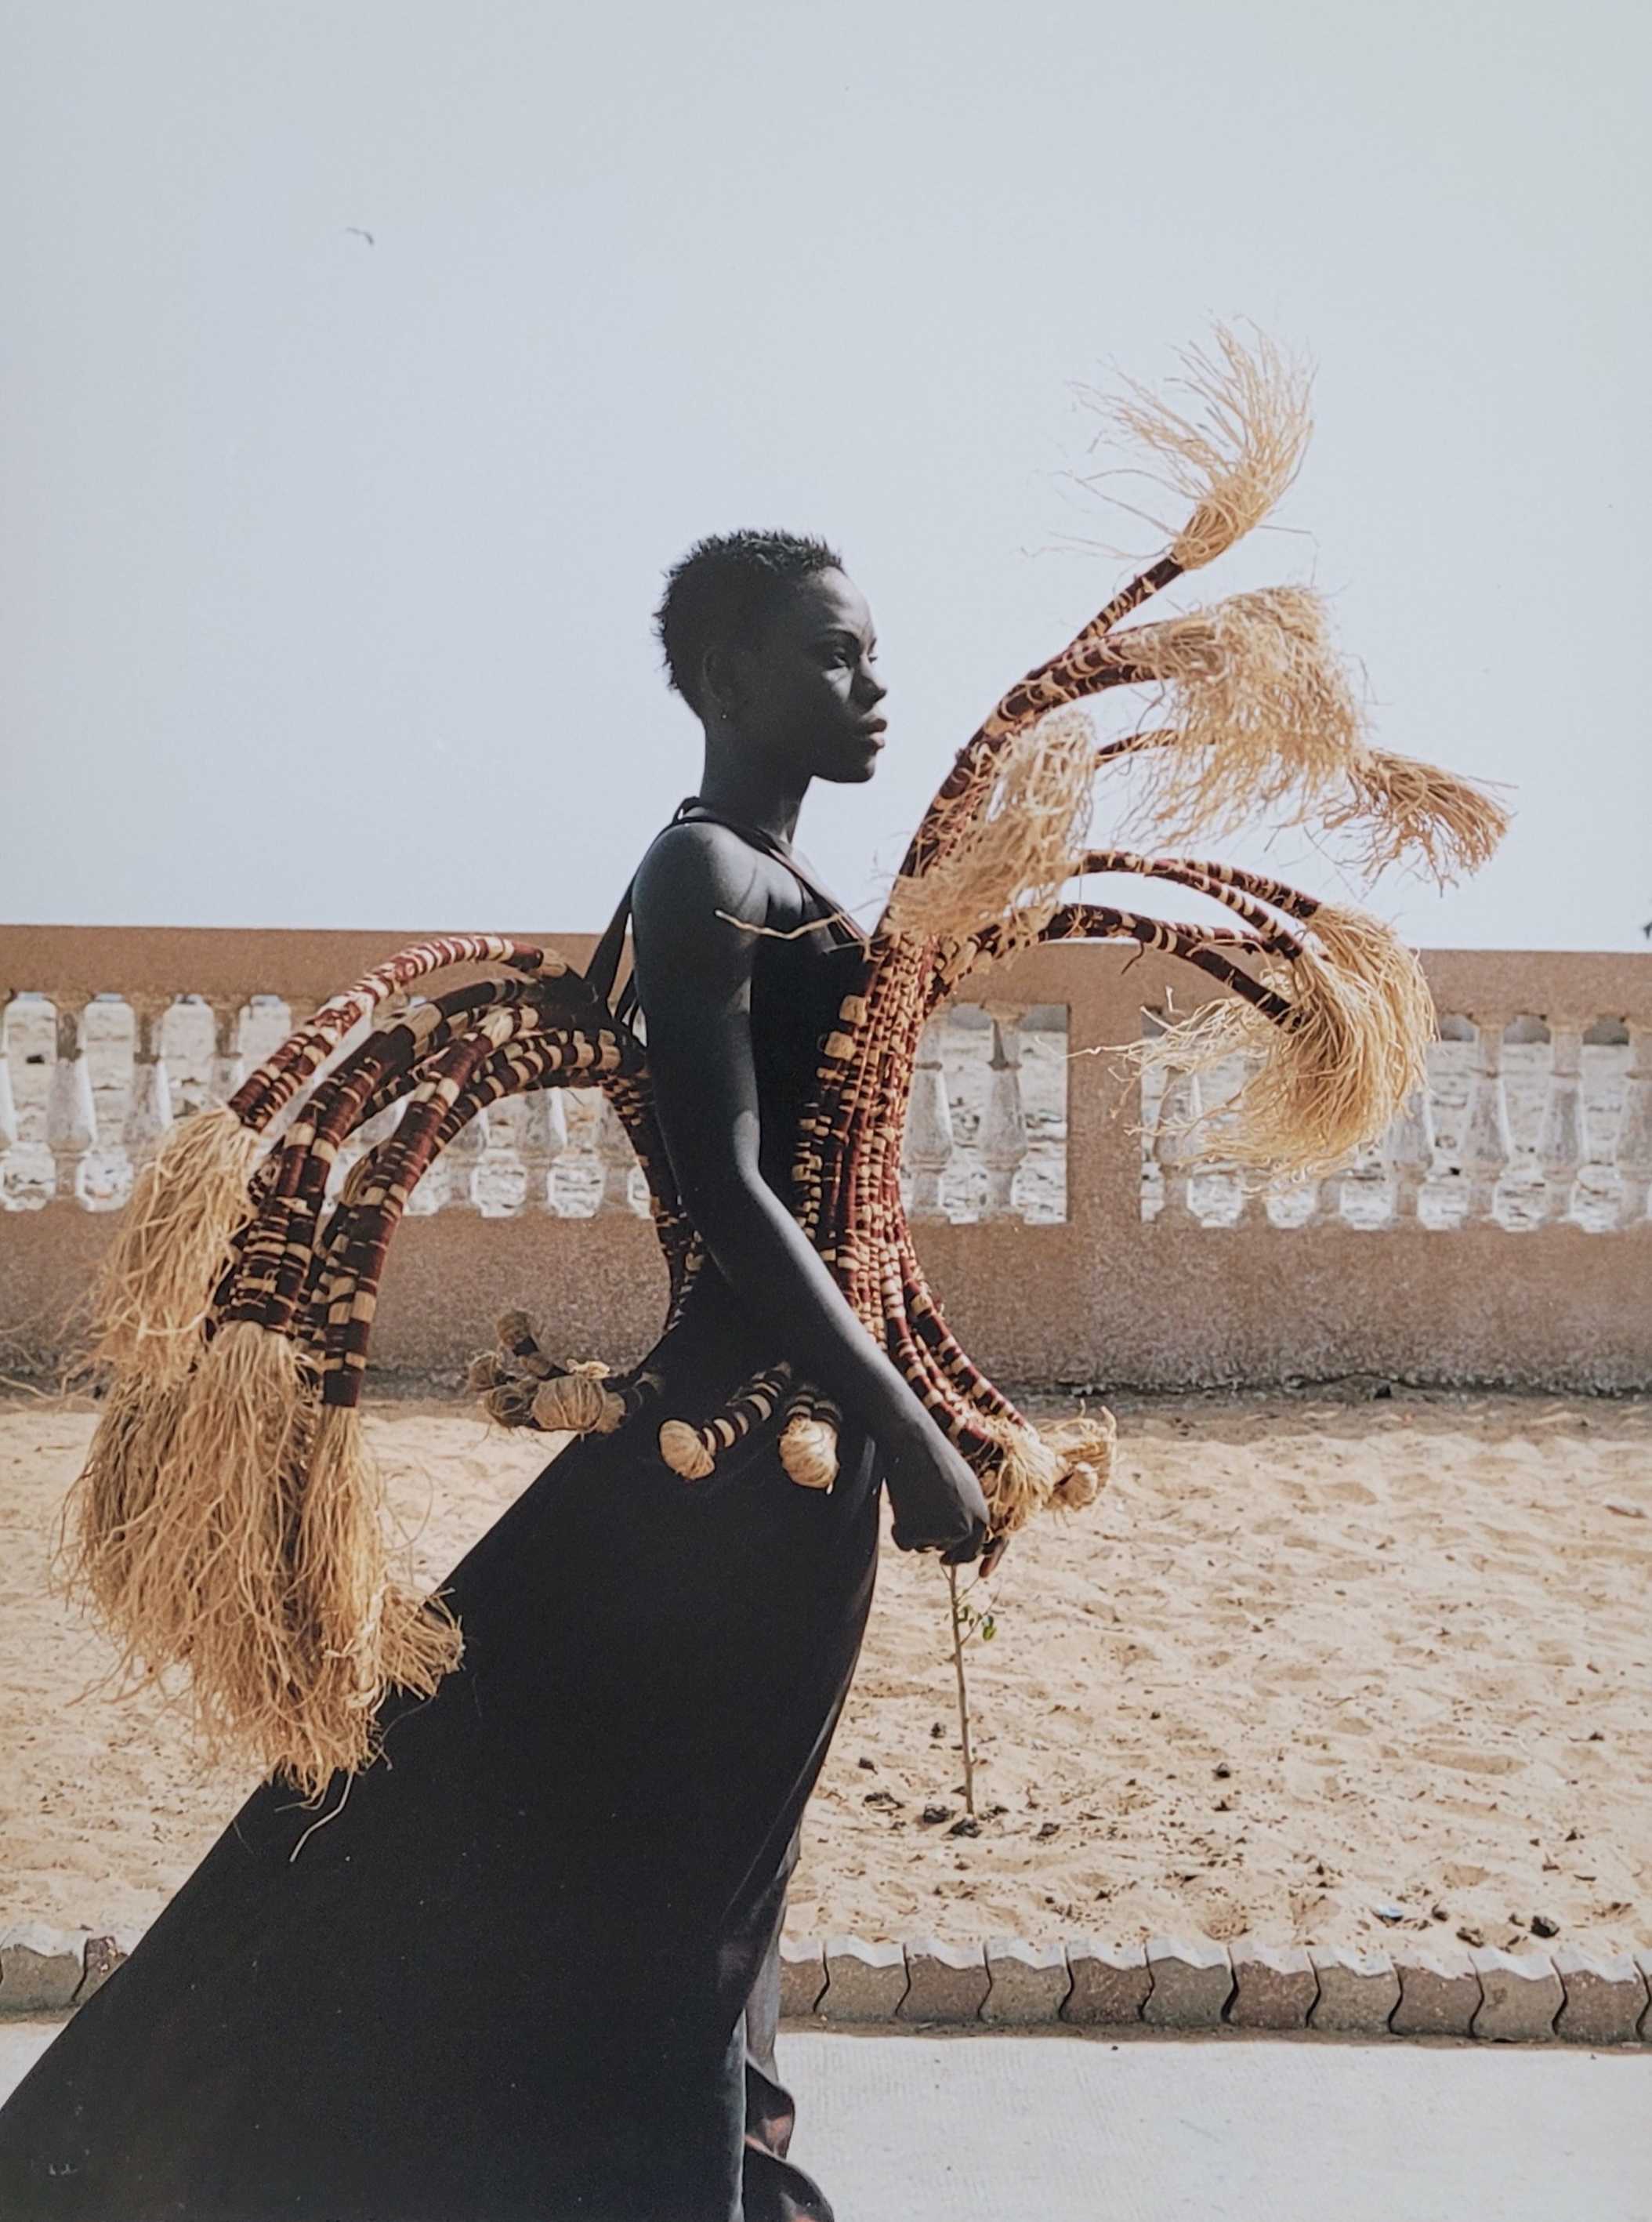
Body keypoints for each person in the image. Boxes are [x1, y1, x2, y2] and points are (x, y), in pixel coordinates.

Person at [0, 528, 992, 2222]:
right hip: (743, 1457)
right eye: (834, 652)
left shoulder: (776, 877)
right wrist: (900, 1419)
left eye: (873, 650)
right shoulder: (701, 870)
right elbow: (730, 1188)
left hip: (787, 1453)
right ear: (728, 677)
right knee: (664, 1848)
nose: (874, 682)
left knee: (706, 1841)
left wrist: (905, 1402)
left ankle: (725, 2170)